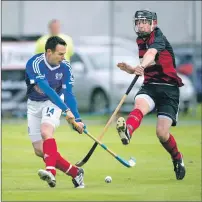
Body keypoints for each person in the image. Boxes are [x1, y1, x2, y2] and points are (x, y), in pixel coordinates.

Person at [116, 10, 186, 180]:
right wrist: (133, 69)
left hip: (169, 89)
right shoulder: (140, 39)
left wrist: (141, 65)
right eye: (138, 22)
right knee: (140, 104)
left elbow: (151, 55)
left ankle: (177, 158)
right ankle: (128, 131)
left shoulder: (158, 36)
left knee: (162, 133)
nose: (140, 25)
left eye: (143, 22)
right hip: (150, 86)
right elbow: (151, 62)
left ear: (153, 23)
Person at [25, 36, 85, 188]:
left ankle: (50, 171)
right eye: (60, 54)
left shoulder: (65, 66)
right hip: (34, 105)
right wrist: (66, 109)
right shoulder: (34, 63)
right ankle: (76, 173)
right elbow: (46, 88)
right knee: (40, 151)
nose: (63, 57)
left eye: (64, 53)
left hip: (53, 102)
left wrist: (77, 118)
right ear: (49, 52)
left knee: (46, 132)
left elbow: (69, 94)